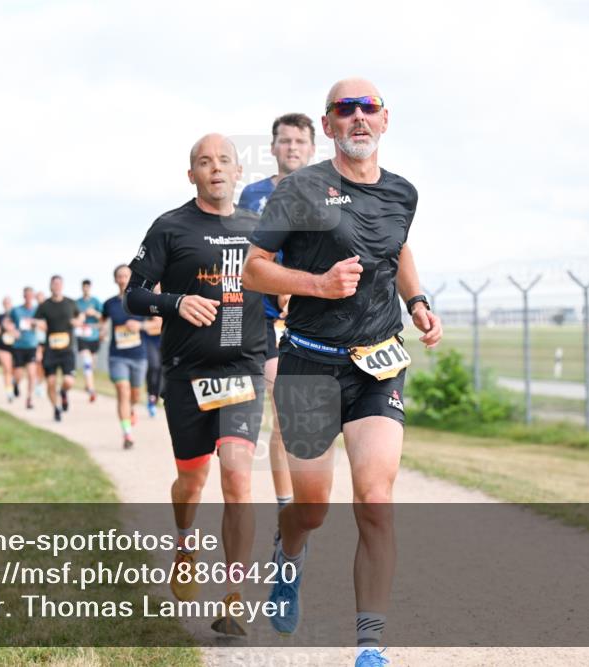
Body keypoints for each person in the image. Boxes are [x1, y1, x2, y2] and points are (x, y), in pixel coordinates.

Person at [241, 78, 443, 666]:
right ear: (327, 126)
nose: (358, 117)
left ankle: (370, 646)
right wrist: (317, 285)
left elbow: (398, 249)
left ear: (385, 120)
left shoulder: (403, 192)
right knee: (312, 508)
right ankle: (290, 551)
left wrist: (418, 302)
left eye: (368, 108)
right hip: (308, 362)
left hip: (378, 363)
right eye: (344, 109)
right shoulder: (301, 188)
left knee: (376, 500)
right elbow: (254, 270)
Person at [125, 133, 266, 637]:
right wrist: (176, 302)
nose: (216, 168)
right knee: (192, 482)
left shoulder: (259, 229)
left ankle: (234, 597)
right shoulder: (170, 227)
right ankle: (185, 541)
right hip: (187, 374)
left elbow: (281, 285)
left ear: (238, 171)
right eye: (204, 162)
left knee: (238, 476)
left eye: (224, 160)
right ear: (192, 175)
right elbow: (134, 295)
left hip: (242, 370)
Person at [239, 112, 317, 514]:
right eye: (284, 141)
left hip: (312, 314)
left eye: (299, 142)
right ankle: (287, 507)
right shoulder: (252, 195)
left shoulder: (326, 192)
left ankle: (305, 499)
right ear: (272, 148)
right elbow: (241, 256)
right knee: (283, 410)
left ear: (312, 148)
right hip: (264, 316)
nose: (292, 148)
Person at [102, 265, 151, 448]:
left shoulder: (142, 301)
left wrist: (141, 327)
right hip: (117, 356)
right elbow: (102, 322)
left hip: (139, 355)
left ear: (131, 278)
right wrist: (100, 332)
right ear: (115, 280)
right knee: (123, 390)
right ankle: (127, 434)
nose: (123, 279)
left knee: (135, 394)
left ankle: (131, 409)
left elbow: (157, 324)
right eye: (119, 276)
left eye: (126, 276)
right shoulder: (109, 304)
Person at [33, 276, 82, 422]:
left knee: (68, 381)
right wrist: (37, 324)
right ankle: (56, 408)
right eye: (54, 284)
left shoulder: (70, 303)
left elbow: (80, 317)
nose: (56, 286)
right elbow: (35, 320)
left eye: (59, 284)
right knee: (51, 383)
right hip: (51, 350)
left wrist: (78, 322)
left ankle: (64, 393)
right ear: (50, 286)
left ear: (62, 286)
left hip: (67, 350)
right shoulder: (44, 305)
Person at [10, 287, 40, 410]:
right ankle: (15, 383)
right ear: (23, 296)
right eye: (26, 295)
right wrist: (12, 331)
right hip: (18, 346)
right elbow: (7, 323)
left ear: (33, 297)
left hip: (32, 345)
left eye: (30, 295)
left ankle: (29, 399)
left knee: (32, 374)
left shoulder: (37, 311)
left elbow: (44, 324)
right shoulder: (16, 310)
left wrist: (36, 323)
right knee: (19, 374)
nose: (28, 297)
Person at [75, 279, 103, 403]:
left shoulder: (96, 301)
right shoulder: (77, 303)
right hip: (82, 335)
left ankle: (88, 383)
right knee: (86, 361)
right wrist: (81, 317)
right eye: (84, 287)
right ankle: (91, 389)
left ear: (90, 288)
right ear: (82, 288)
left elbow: (103, 318)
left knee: (92, 364)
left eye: (87, 287)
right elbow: (74, 318)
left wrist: (94, 313)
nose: (86, 289)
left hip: (94, 336)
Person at [143, 284, 164, 417]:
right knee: (153, 367)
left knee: (162, 370)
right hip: (150, 340)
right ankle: (151, 397)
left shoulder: (169, 297)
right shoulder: (145, 299)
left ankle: (156, 397)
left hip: (165, 340)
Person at [0, 296, 16, 402]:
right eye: (5, 303)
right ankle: (9, 392)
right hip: (3, 346)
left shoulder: (16, 316)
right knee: (7, 368)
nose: (7, 305)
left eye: (8, 303)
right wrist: (0, 328)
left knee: (15, 370)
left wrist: (11, 329)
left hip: (16, 347)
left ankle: (14, 384)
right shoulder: (0, 317)